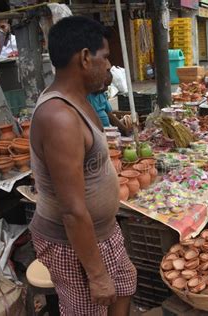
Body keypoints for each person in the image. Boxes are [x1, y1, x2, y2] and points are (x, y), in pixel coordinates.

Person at [29, 16, 136, 315]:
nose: (110, 68)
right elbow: (73, 211)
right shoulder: (59, 117)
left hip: (103, 231)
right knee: (89, 308)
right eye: (106, 58)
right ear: (86, 58)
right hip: (71, 244)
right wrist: (97, 275)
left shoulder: (81, 100)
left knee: (125, 286)